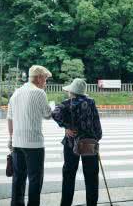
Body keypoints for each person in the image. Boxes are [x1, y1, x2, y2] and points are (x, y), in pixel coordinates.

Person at [52, 78, 102, 206]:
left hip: (71, 143)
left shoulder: (67, 103)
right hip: (89, 143)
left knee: (69, 175)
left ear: (72, 92)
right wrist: (96, 138)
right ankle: (92, 204)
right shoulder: (91, 102)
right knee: (91, 177)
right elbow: (97, 123)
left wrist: (66, 127)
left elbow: (55, 113)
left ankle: (65, 204)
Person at [7, 65, 52, 206]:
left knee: (18, 178)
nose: (45, 82)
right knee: (35, 179)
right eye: (45, 79)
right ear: (38, 78)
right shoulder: (39, 93)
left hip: (17, 143)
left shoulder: (16, 93)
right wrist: (52, 106)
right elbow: (48, 114)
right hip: (34, 144)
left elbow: (9, 118)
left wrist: (11, 138)